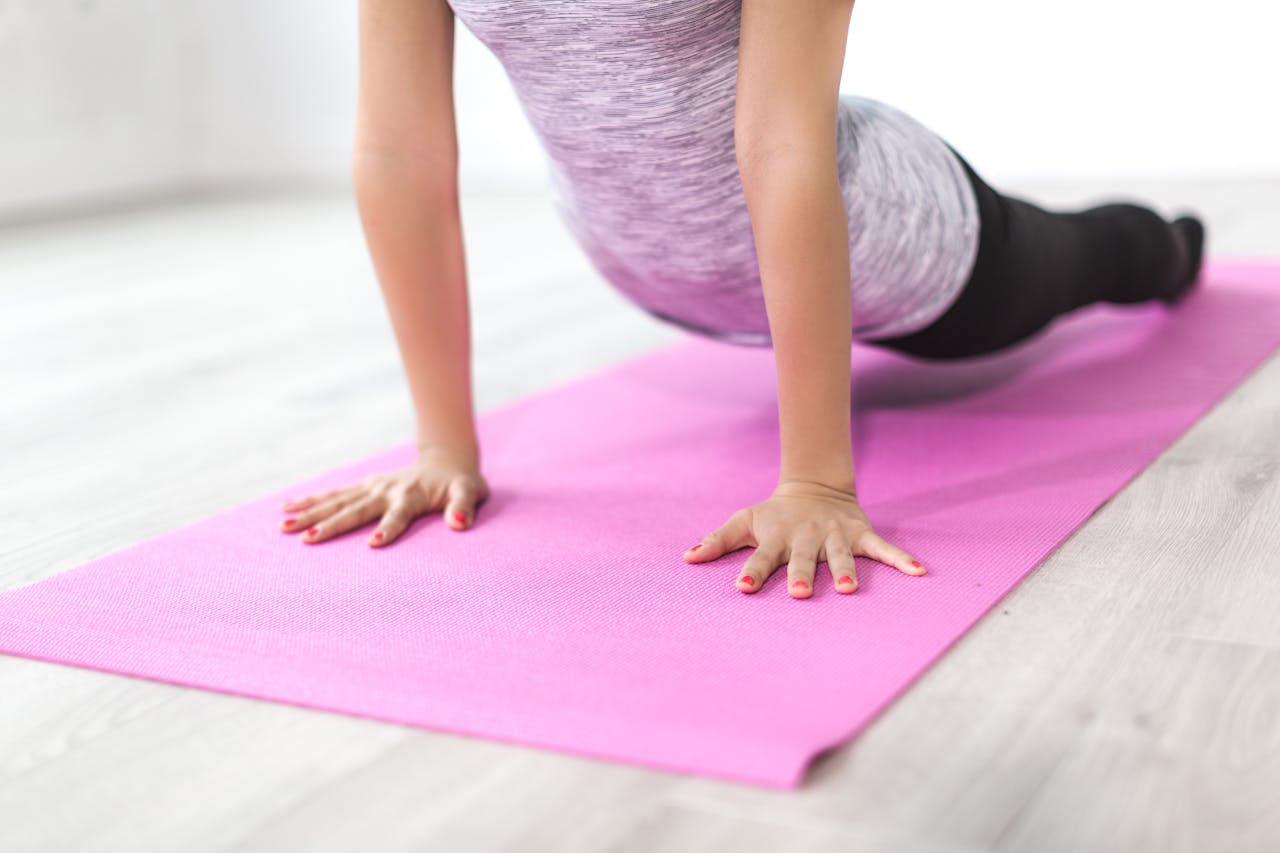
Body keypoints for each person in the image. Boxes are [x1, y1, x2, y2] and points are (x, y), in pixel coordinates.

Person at [278, 0, 1206, 599]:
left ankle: (1167, 249)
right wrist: (444, 446)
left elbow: (783, 146)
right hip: (655, 265)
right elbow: (401, 153)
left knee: (1096, 254)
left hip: (900, 240)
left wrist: (815, 483)